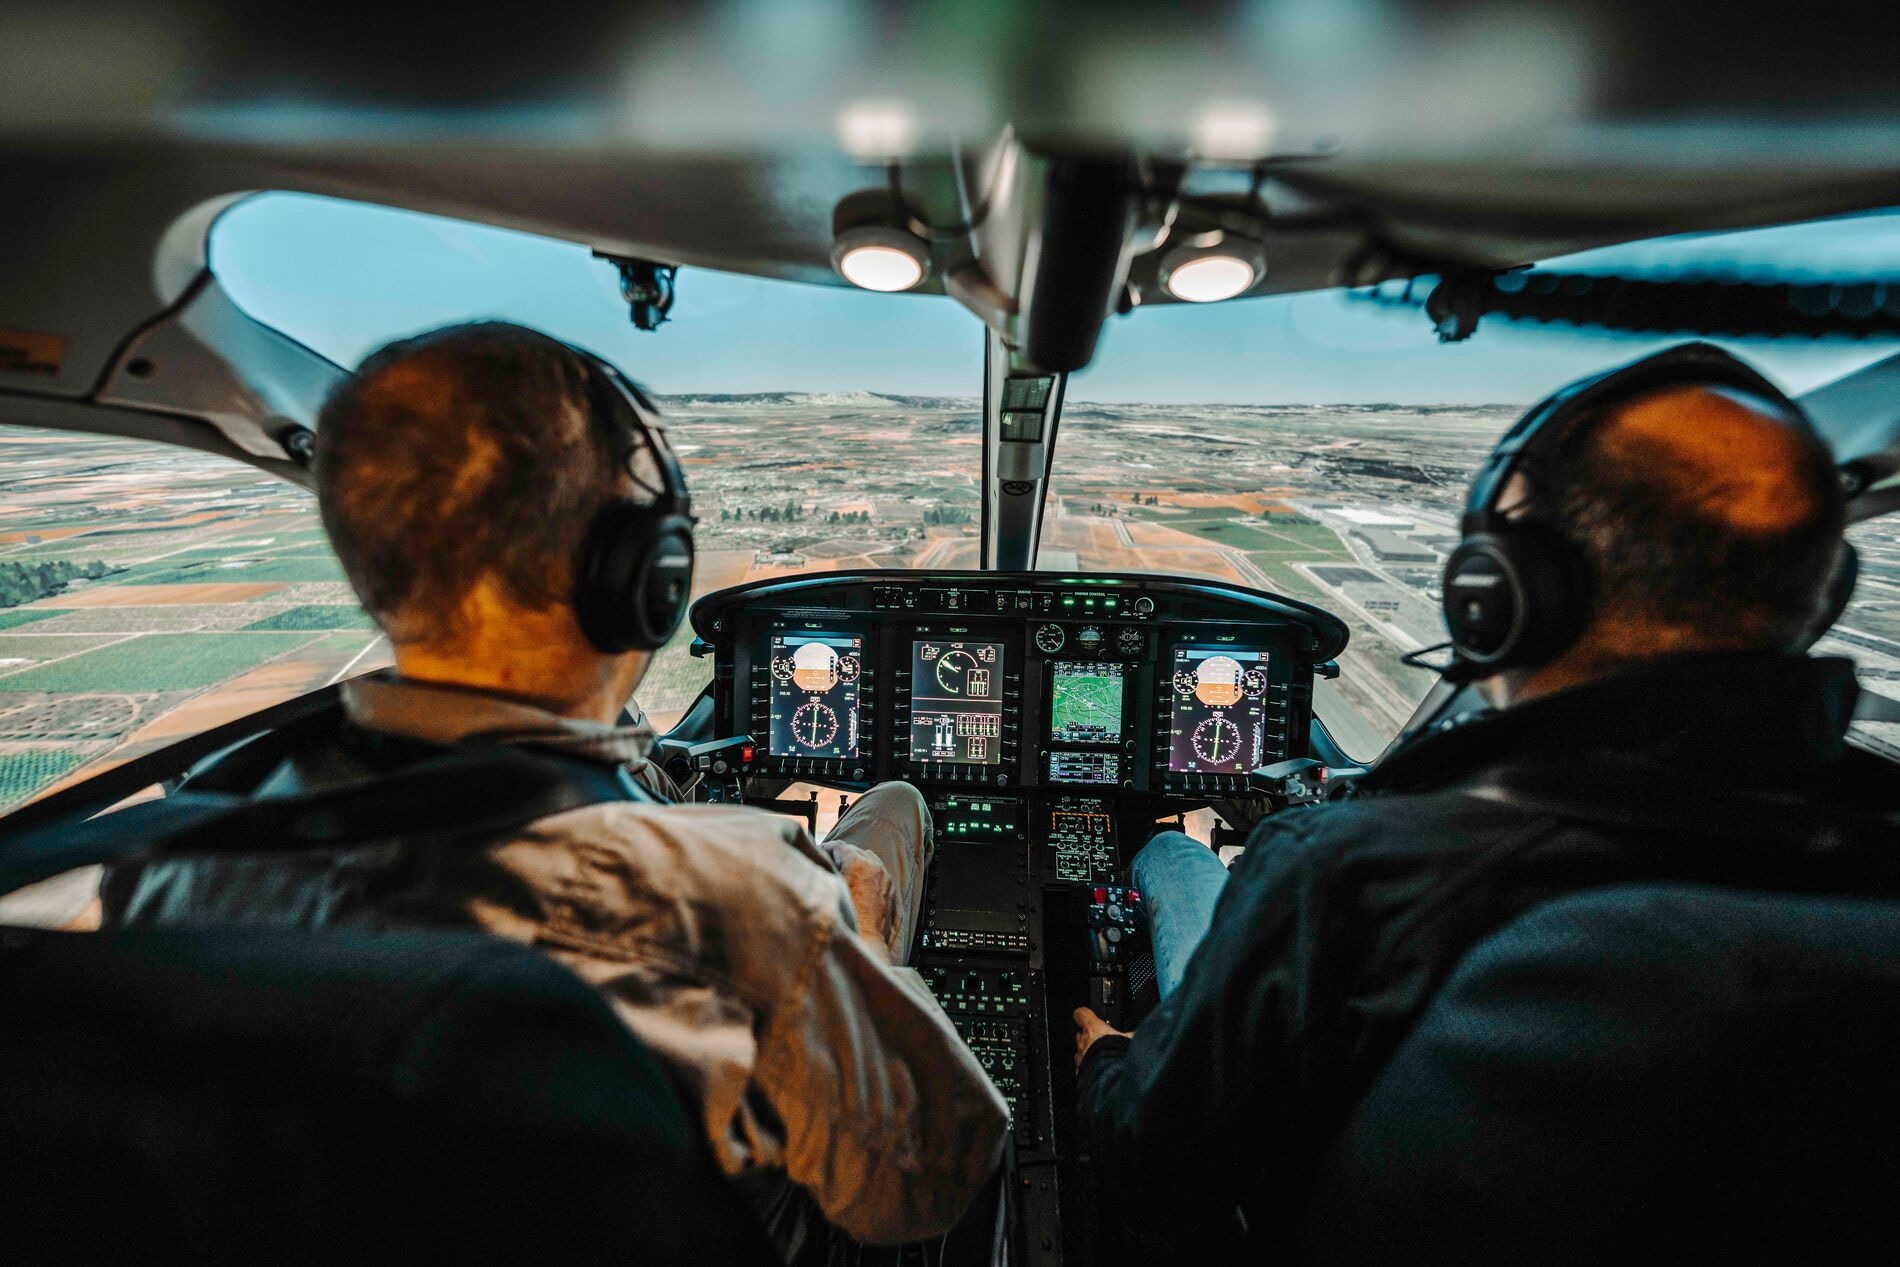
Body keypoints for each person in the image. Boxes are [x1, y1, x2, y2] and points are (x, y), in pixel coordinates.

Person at [118, 322, 1009, 1258]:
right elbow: (942, 1173)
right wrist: (857, 933)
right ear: (644, 580)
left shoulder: (164, 869)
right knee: (892, 815)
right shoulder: (740, 897)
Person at [1070, 342, 1900, 1255]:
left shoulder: (1355, 874)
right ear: (1823, 598)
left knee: (1174, 861)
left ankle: (1166, 848)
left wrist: (1106, 1056)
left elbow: (1153, 1166)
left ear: (1498, 595)